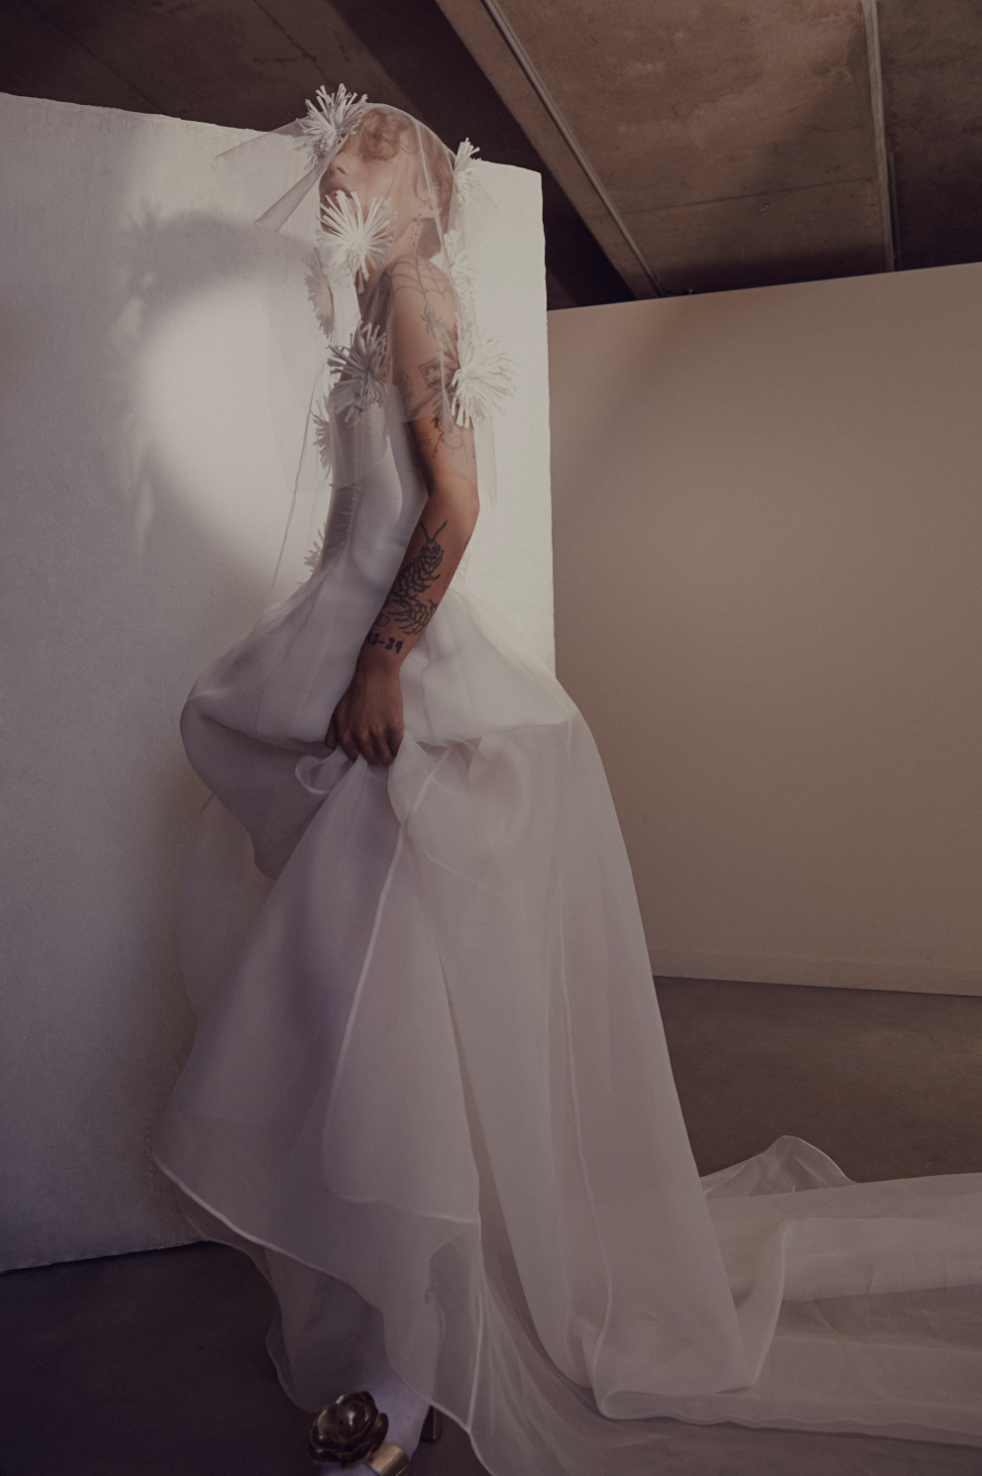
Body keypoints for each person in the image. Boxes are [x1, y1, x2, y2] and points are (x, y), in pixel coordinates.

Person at [152, 89, 982, 1476]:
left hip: (405, 694)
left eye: (362, 150)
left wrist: (381, 665)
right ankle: (397, 1322)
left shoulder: (416, 292)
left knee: (375, 1018)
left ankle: (410, 1369)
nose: (334, 164)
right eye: (331, 150)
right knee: (357, 1016)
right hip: (344, 666)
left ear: (415, 186)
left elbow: (453, 503)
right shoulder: (366, 316)